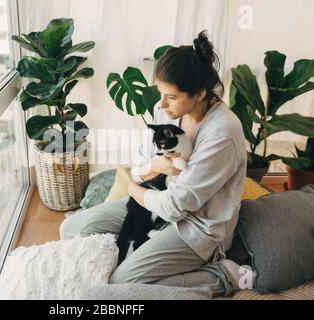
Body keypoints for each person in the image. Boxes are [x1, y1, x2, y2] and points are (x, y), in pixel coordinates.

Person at [60, 30, 247, 285]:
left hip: (198, 227)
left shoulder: (222, 134)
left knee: (123, 282)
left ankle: (226, 277)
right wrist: (153, 167)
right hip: (155, 203)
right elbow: (139, 165)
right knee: (71, 229)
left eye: (171, 97)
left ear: (200, 94)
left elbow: (176, 206)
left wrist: (134, 189)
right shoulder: (168, 113)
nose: (161, 104)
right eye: (161, 94)